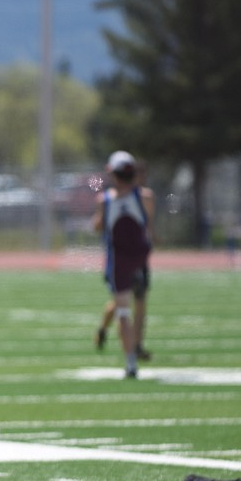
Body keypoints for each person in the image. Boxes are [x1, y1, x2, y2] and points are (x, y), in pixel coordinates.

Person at [92, 150, 154, 377]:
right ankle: (135, 348)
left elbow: (98, 227)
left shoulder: (105, 200)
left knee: (124, 310)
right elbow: (148, 225)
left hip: (119, 261)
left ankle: (131, 361)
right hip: (139, 258)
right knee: (138, 306)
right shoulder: (145, 197)